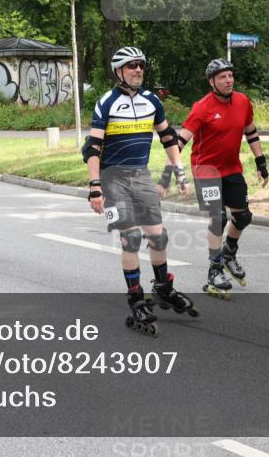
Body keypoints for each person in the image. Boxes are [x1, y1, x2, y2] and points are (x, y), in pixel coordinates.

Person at [84, 46, 196, 335]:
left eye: (141, 65)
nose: (138, 70)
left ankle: (163, 288)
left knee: (158, 236)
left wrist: (179, 172)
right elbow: (93, 148)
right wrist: (95, 186)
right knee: (131, 238)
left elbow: (168, 137)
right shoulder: (106, 103)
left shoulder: (151, 101)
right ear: (118, 71)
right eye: (131, 65)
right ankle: (135, 298)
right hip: (112, 178)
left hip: (141, 176)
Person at [178, 59, 269, 300]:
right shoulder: (202, 107)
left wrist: (261, 162)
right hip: (205, 170)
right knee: (218, 218)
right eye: (222, 77)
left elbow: (251, 131)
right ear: (212, 82)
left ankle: (229, 253)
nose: (229, 80)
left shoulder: (243, 101)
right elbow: (181, 140)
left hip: (231, 168)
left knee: (243, 216)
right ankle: (215, 270)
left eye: (230, 75)